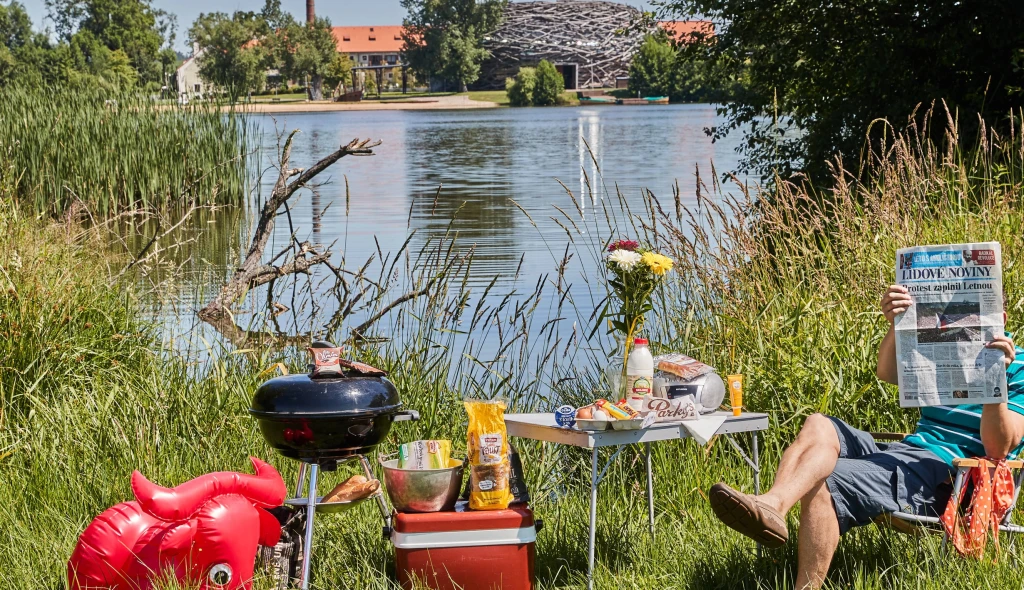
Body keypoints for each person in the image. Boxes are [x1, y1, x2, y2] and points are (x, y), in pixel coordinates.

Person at [707, 285, 1024, 589]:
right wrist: (896, 322)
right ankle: (773, 504)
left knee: (829, 479)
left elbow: (999, 447)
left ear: (1002, 319)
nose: (958, 320)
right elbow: (887, 373)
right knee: (818, 423)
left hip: (948, 475)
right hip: (907, 454)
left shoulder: (1018, 365)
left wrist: (993, 381)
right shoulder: (943, 346)